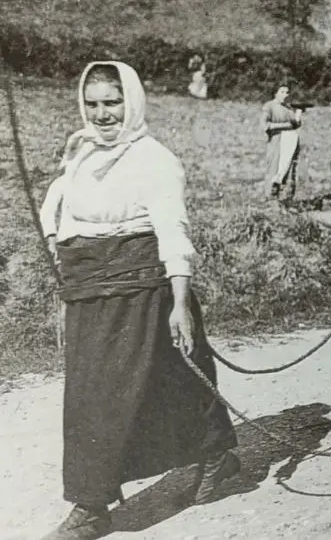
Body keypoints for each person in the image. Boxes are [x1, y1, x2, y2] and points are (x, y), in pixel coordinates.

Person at [38, 61, 238, 540]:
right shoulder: (81, 153)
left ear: (132, 101)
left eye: (112, 102)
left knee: (104, 396)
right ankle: (217, 451)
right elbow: (59, 214)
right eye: (93, 104)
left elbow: (173, 231)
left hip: (142, 289)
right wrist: (66, 290)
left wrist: (180, 303)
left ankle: (90, 506)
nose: (103, 114)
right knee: (158, 380)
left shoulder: (154, 159)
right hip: (89, 289)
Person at [261, 83, 303, 205]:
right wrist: (285, 126)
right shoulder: (269, 106)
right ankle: (270, 200)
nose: (285, 95)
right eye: (282, 92)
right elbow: (264, 126)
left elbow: (295, 124)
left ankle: (285, 200)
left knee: (289, 169)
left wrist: (298, 116)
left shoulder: (289, 109)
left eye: (287, 92)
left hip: (291, 142)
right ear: (275, 93)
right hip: (276, 141)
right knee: (274, 168)